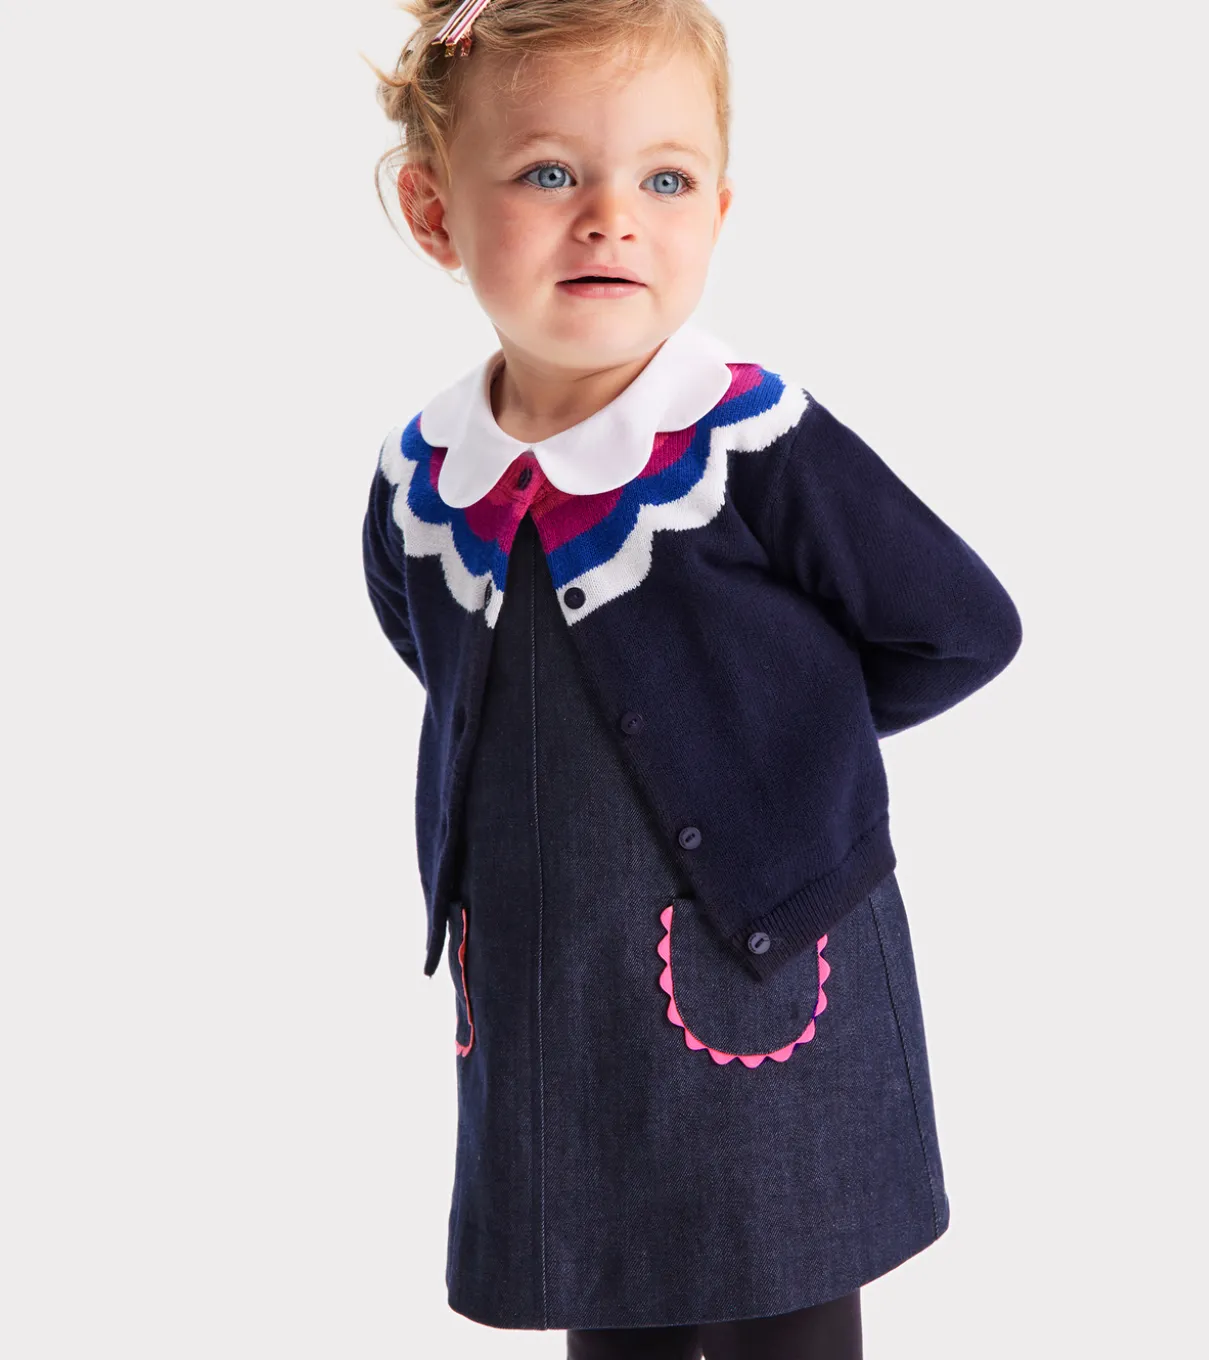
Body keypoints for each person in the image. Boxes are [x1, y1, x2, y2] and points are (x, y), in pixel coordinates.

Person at [360, 2, 1023, 1354]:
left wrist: (781, 747)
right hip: (558, 989)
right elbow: (435, 652)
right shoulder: (425, 480)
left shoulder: (748, 441)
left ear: (718, 212)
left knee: (788, 1288)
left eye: (664, 179)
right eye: (550, 172)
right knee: (605, 1288)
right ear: (435, 214)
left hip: (761, 956)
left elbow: (961, 626)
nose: (611, 218)